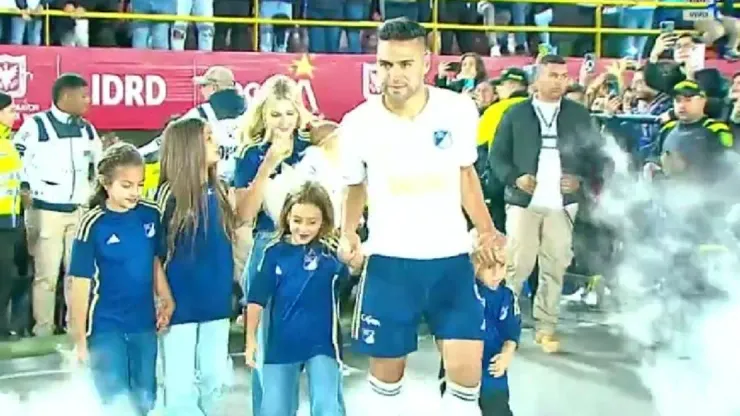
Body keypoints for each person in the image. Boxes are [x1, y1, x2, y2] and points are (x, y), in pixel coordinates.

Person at [337, 18, 504, 415]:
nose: (393, 75)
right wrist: (348, 232)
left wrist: (487, 230)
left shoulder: (458, 109)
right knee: (385, 386)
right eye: (385, 65)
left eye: (405, 64)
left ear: (426, 62)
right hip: (390, 265)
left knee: (467, 382)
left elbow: (466, 175)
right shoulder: (358, 122)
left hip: (452, 261)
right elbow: (355, 185)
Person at [488, 54, 603, 354]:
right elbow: (496, 157)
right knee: (516, 266)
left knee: (555, 267)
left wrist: (579, 179)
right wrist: (516, 178)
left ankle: (546, 328)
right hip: (524, 203)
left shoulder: (579, 115)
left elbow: (597, 158)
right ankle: (503, 326)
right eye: (552, 75)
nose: (559, 82)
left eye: (564, 76)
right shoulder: (515, 114)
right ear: (536, 79)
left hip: (563, 205)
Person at [67, 142, 174, 415]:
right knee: (116, 402)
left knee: (145, 398)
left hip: (143, 324)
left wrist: (166, 298)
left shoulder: (150, 214)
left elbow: (154, 260)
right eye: (126, 185)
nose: (135, 192)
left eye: (139, 185)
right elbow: (80, 282)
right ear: (106, 183)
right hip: (105, 326)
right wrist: (79, 338)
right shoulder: (93, 224)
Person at [233, 74, 313, 416]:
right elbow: (243, 215)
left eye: (289, 114)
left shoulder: (312, 147)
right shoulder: (251, 154)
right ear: (263, 115)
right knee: (266, 345)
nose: (284, 122)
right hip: (268, 246)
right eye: (276, 114)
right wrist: (269, 163)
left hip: (310, 251)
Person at [244, 181, 355, 416]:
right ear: (286, 218)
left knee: (327, 407)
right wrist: (251, 340)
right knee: (274, 409)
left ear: (323, 221)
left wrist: (351, 260)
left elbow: (349, 275)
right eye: (297, 220)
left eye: (312, 222)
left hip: (322, 345)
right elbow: (256, 300)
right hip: (281, 346)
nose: (303, 228)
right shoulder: (273, 253)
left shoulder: (330, 253)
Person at [155, 117, 239, 416]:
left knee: (213, 378)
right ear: (188, 147)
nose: (215, 142)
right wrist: (163, 297)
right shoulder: (169, 195)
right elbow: (154, 254)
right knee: (179, 387)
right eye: (207, 138)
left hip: (216, 301)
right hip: (180, 304)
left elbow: (238, 222)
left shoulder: (221, 189)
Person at [13, 73, 103, 337]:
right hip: (46, 211)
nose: (88, 101)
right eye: (83, 96)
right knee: (46, 276)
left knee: (76, 276)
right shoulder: (36, 125)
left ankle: (74, 328)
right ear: (66, 97)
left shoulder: (87, 128)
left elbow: (99, 164)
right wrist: (25, 187)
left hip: (78, 212)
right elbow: (17, 159)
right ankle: (43, 329)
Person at [438, 231, 520, 416]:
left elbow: (511, 332)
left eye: (503, 266)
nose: (498, 274)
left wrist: (507, 355)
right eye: (490, 266)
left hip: (493, 376)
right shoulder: (462, 291)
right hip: (458, 373)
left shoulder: (506, 296)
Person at [184, 66, 247, 185]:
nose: (201, 90)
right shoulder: (250, 112)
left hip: (213, 185)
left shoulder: (201, 113)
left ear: (214, 87)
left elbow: (171, 138)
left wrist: (140, 153)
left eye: (203, 85)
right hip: (243, 183)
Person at [0, 92, 24, 341]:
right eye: (10, 110)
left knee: (7, 276)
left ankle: (3, 327)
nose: (14, 115)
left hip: (10, 221)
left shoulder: (8, 143)